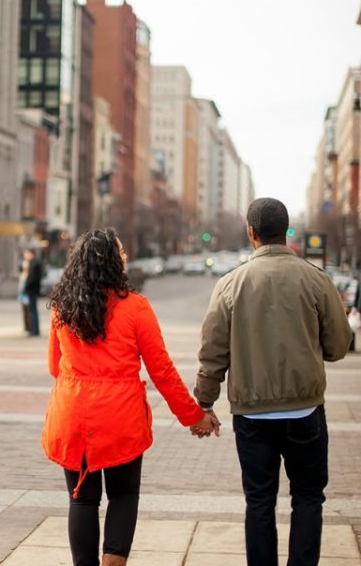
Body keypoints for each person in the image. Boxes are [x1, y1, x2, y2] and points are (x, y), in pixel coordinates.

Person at [42, 228, 217, 566]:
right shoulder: (135, 307)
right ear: (112, 262)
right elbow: (161, 371)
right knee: (123, 495)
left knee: (82, 500)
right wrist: (194, 417)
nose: (125, 257)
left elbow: (54, 366)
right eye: (120, 252)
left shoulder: (62, 308)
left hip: (73, 417)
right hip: (120, 419)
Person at [194, 198, 352, 566]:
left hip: (252, 416)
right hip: (306, 413)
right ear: (286, 233)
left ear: (251, 233)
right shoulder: (316, 279)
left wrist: (203, 402)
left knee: (260, 501)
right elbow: (340, 344)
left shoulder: (230, 284)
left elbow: (212, 351)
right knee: (309, 498)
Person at [23, 248, 42, 336]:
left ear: (31, 254)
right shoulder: (32, 264)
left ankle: (34, 330)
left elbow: (32, 279)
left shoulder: (35, 264)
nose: (25, 256)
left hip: (32, 290)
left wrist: (26, 287)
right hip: (31, 290)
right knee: (31, 310)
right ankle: (34, 329)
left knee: (32, 311)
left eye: (27, 254)